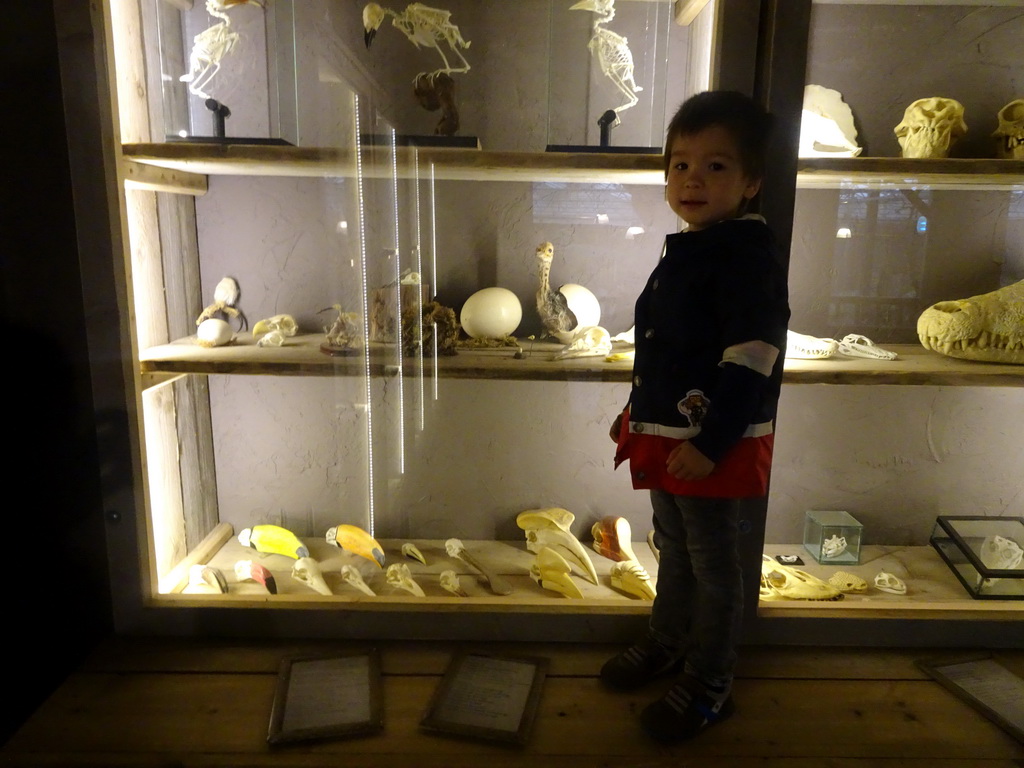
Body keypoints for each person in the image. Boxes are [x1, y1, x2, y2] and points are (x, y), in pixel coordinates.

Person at [601, 90, 790, 743]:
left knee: (714, 563)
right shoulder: (696, 246)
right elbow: (668, 350)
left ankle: (712, 681)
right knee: (674, 547)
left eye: (715, 166)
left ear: (751, 182)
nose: (692, 179)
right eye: (680, 164)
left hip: (708, 443)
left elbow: (751, 357)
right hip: (669, 435)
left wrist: (711, 444)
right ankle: (668, 641)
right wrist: (635, 413)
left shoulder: (745, 255)